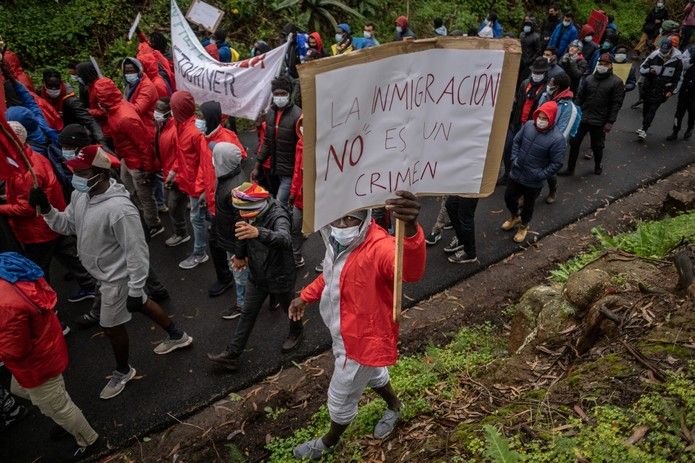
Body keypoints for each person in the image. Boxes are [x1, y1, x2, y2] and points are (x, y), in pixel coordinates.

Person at [30, 145, 193, 400]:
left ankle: (123, 370)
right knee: (141, 304)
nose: (76, 177)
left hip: (117, 279)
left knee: (110, 326)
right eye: (75, 172)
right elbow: (68, 225)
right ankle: (178, 335)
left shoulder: (121, 210)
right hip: (102, 274)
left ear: (100, 174)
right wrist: (49, 210)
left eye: (82, 173)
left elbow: (138, 253)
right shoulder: (79, 196)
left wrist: (135, 287)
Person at [288, 191, 426, 459]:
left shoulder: (379, 247)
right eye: (337, 218)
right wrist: (305, 296)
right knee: (374, 374)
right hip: (343, 332)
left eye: (350, 219)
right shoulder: (336, 243)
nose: (342, 226)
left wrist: (410, 229)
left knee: (340, 396)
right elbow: (331, 275)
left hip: (361, 342)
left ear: (365, 217)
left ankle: (328, 441)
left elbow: (410, 271)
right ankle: (395, 406)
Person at [0, 252, 99, 462]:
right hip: (46, 344)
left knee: (56, 405)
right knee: (20, 389)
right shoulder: (7, 264)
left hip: (36, 363)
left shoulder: (4, 306)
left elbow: (14, 349)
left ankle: (88, 441)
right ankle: (65, 418)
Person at [207, 182, 304, 371]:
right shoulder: (247, 212)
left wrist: (259, 232)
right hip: (257, 274)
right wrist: (240, 255)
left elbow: (285, 239)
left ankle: (297, 332)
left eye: (244, 212)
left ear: (255, 207)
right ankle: (232, 354)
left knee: (291, 309)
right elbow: (242, 232)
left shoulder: (278, 214)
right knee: (247, 314)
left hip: (279, 274)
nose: (241, 216)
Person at [3, 120, 96, 303]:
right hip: (52, 221)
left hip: (39, 231)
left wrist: (3, 208)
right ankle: (90, 286)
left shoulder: (27, 173)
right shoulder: (35, 157)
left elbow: (27, 208)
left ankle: (48, 306)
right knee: (69, 256)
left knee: (39, 271)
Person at [93, 77, 164, 237]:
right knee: (129, 190)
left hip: (138, 164)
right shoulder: (115, 108)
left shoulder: (125, 117)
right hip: (127, 158)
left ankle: (154, 224)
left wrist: (147, 170)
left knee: (145, 196)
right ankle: (140, 216)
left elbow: (143, 145)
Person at [502, 101, 565, 243]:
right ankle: (514, 217)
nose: (540, 121)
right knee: (509, 198)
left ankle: (523, 226)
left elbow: (557, 163)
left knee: (528, 206)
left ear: (551, 119)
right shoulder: (529, 125)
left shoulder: (557, 139)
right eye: (539, 117)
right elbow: (517, 142)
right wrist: (514, 159)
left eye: (545, 118)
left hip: (533, 181)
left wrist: (540, 175)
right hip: (517, 173)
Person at [561, 53, 625, 175]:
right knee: (574, 143)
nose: (602, 66)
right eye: (600, 63)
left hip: (600, 120)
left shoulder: (616, 82)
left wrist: (610, 122)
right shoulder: (589, 79)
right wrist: (575, 113)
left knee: (597, 146)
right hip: (583, 117)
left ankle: (597, 165)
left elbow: (616, 104)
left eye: (605, 64)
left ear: (611, 66)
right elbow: (580, 97)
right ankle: (570, 169)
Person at [169, 91, 211, 269]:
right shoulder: (180, 126)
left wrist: (201, 189)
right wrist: (174, 171)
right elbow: (182, 155)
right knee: (203, 216)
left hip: (196, 185)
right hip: (188, 181)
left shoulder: (194, 132)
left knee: (196, 219)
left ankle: (200, 252)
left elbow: (204, 162)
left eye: (173, 107)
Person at [212, 143, 249, 319]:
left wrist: (239, 254)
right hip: (232, 240)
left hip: (235, 244)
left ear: (222, 161)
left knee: (240, 274)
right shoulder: (230, 176)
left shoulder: (234, 189)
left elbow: (241, 224)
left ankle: (243, 305)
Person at [252, 76, 302, 205]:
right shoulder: (271, 114)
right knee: (274, 201)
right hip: (274, 169)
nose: (279, 97)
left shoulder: (298, 116)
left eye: (283, 94)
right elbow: (267, 142)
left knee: (279, 203)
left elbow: (302, 150)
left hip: (289, 172)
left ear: (289, 94)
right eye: (276, 94)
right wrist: (257, 165)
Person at [538, 74, 581, 203]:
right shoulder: (545, 96)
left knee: (549, 172)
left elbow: (562, 132)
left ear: (558, 87)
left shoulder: (569, 108)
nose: (549, 86)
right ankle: (530, 194)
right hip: (538, 139)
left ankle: (552, 190)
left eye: (551, 84)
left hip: (553, 145)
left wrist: (545, 144)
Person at [154, 97, 189, 247]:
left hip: (176, 176)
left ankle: (181, 233)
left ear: (169, 112)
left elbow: (181, 157)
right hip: (169, 172)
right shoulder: (162, 125)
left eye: (160, 110)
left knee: (173, 206)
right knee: (177, 204)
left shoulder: (174, 130)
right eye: (156, 108)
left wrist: (174, 176)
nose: (156, 112)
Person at [40, 70, 105, 144]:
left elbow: (88, 119)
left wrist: (101, 140)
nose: (53, 89)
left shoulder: (71, 100)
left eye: (56, 86)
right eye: (50, 86)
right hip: (50, 134)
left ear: (61, 83)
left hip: (71, 133)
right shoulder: (39, 97)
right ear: (43, 83)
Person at [637, 38, 682, 142]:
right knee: (646, 109)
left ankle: (644, 129)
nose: (663, 53)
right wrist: (649, 71)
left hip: (662, 90)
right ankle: (644, 124)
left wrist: (671, 91)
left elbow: (678, 78)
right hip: (649, 87)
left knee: (653, 108)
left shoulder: (677, 60)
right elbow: (642, 68)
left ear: (671, 49)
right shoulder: (654, 55)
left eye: (666, 51)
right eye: (662, 51)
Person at [667, 46, 695, 140]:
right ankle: (675, 131)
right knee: (679, 112)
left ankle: (690, 128)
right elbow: (682, 64)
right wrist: (691, 60)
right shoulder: (691, 50)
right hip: (685, 87)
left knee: (692, 112)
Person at [289, 115, 305, 267]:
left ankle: (328, 257)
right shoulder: (300, 144)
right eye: (302, 124)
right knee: (295, 227)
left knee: (323, 231)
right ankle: (296, 257)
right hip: (300, 197)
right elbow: (296, 172)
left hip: (317, 198)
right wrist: (293, 192)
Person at [444, 197, 479, 264]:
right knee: (451, 205)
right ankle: (462, 240)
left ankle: (470, 253)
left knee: (465, 214)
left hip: (472, 188)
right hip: (462, 187)